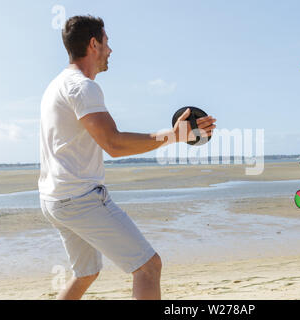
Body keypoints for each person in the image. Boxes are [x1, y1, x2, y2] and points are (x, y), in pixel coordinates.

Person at [38, 15, 216, 300]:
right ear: (93, 44)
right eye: (107, 43)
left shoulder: (56, 85)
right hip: (79, 199)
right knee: (148, 267)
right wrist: (175, 136)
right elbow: (114, 144)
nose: (110, 50)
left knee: (86, 272)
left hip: (54, 199)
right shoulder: (83, 87)